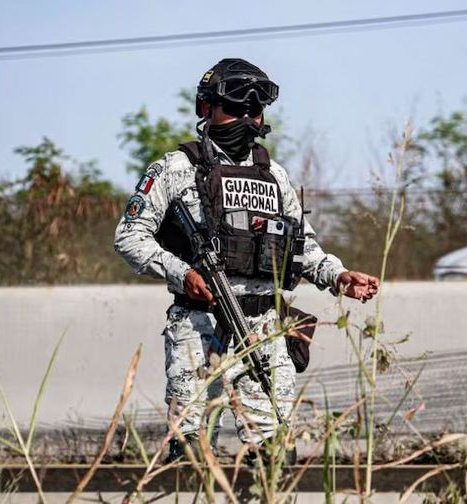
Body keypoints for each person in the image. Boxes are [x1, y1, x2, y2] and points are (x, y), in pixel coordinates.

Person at [114, 58, 379, 462]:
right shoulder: (176, 169)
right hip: (200, 327)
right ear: (206, 108)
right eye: (235, 108)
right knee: (191, 454)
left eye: (254, 110)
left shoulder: (274, 175)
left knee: (276, 456)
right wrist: (183, 274)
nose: (247, 118)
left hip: (264, 330)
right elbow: (130, 236)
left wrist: (339, 276)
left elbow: (302, 247)